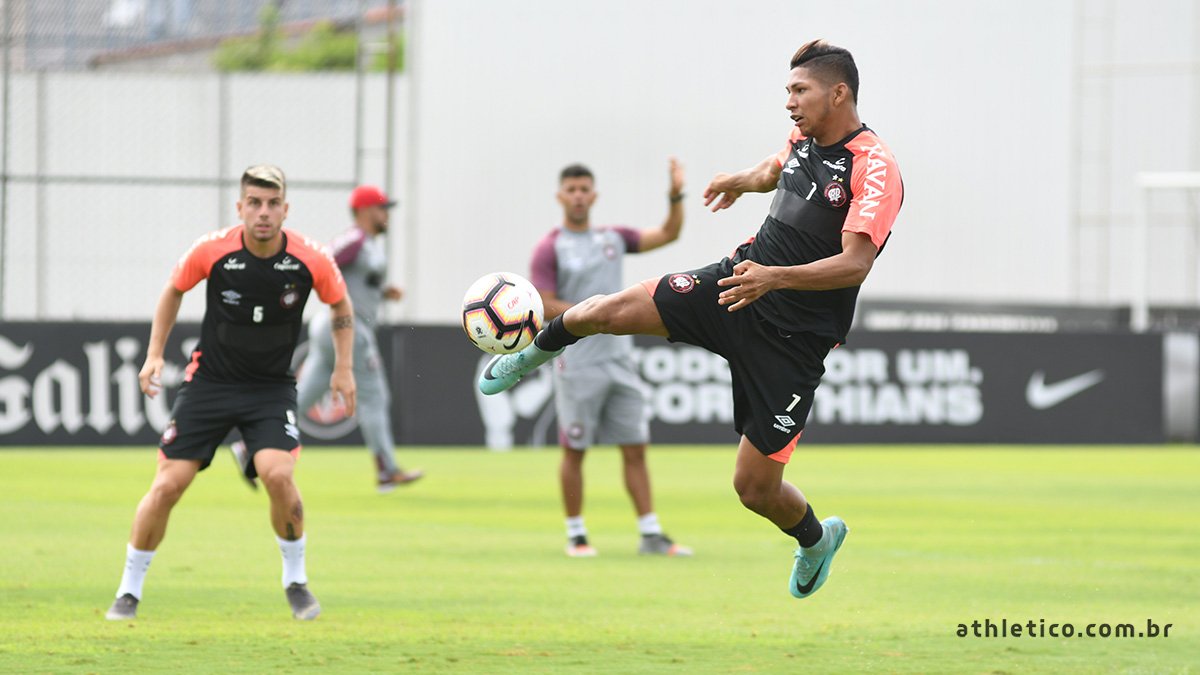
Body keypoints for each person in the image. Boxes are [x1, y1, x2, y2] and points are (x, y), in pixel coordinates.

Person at [480, 40, 902, 598]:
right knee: (606, 310)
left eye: (800, 91)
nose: (789, 103)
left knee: (754, 489)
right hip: (735, 286)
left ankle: (815, 539)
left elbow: (855, 263)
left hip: (793, 340)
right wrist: (739, 181)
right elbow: (776, 168)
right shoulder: (803, 136)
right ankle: (528, 354)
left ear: (839, 93)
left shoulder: (875, 166)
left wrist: (775, 277)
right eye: (788, 91)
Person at [106, 165, 357, 621]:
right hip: (210, 385)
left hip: (270, 390)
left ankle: (296, 582)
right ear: (240, 207)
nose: (263, 213)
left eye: (273, 204)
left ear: (285, 209)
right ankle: (128, 591)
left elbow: (340, 303)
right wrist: (154, 354)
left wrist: (343, 368)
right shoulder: (213, 249)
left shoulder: (310, 258)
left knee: (277, 476)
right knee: (167, 486)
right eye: (254, 203)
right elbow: (173, 289)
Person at [530, 161, 692, 558]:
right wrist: (593, 313)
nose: (578, 196)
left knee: (635, 446)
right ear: (560, 196)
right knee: (575, 450)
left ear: (594, 195)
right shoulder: (550, 247)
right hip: (578, 363)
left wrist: (675, 197)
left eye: (584, 189)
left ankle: (650, 534)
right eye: (572, 190)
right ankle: (576, 534)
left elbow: (668, 233)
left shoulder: (612, 238)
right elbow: (543, 303)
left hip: (620, 360)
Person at [287, 184, 424, 492]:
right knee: (374, 397)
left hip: (333, 328)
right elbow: (321, 260)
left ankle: (251, 445)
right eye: (381, 208)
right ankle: (387, 470)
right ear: (364, 211)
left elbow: (356, 282)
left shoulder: (370, 244)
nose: (386, 214)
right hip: (347, 328)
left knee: (303, 397)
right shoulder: (355, 239)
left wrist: (383, 292)